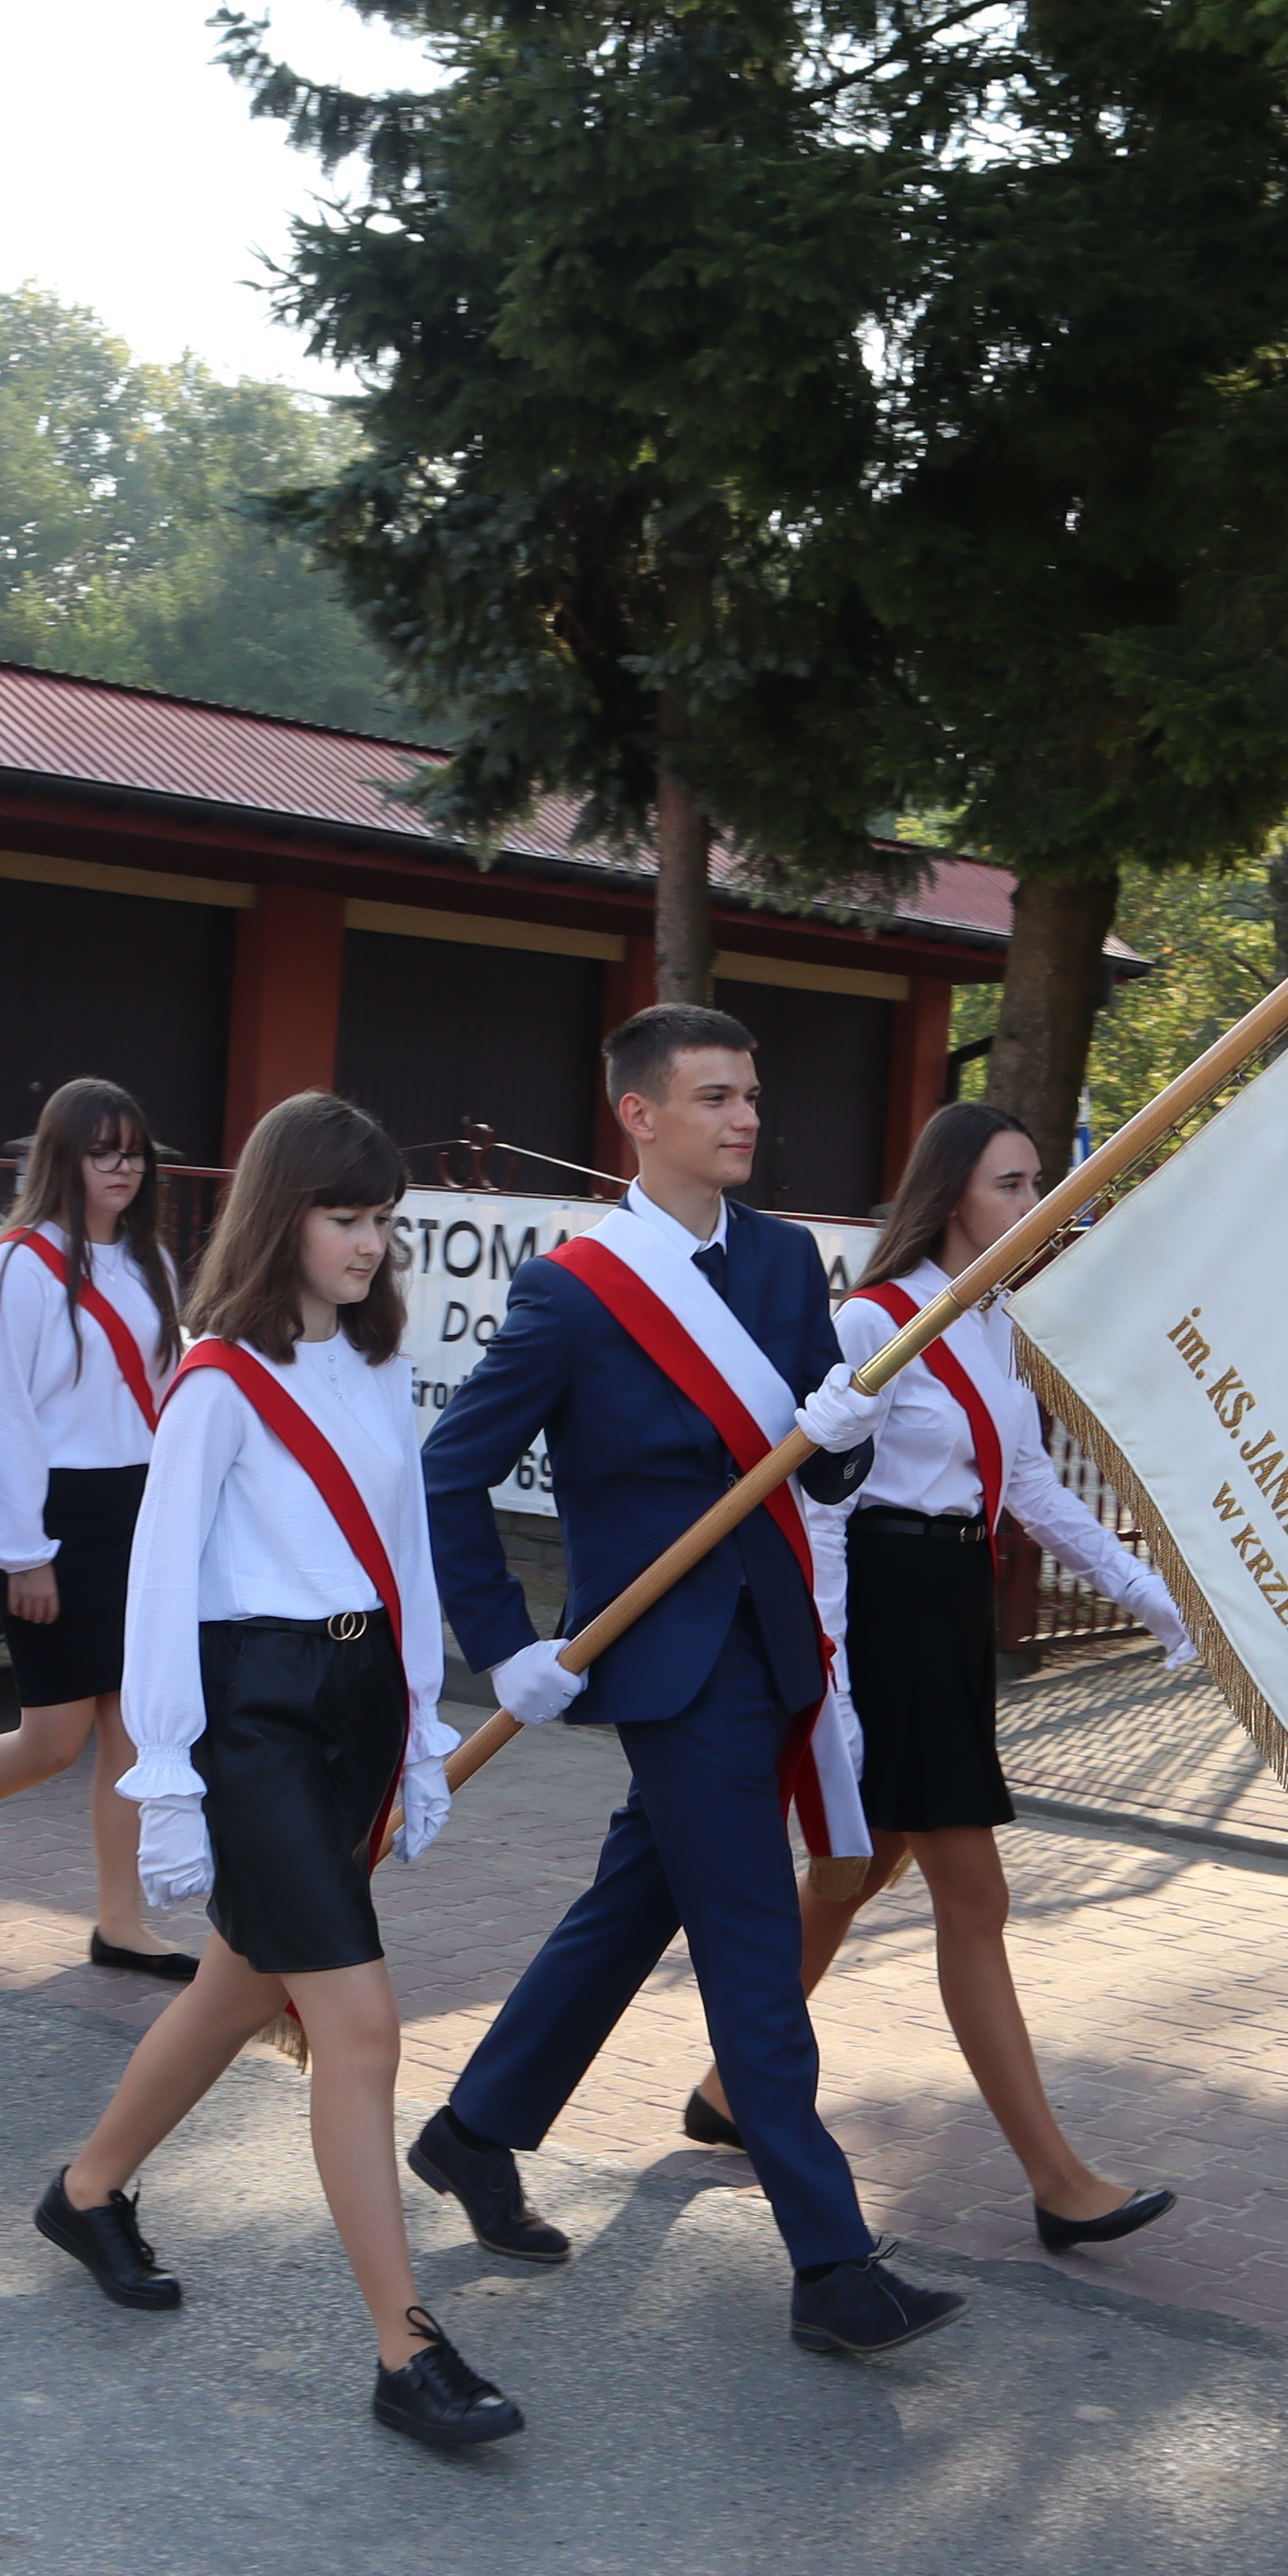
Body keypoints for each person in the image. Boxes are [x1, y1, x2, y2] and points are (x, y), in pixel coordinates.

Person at [418, 1002, 968, 2360]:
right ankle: (831, 2263)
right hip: (669, 1665)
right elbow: (448, 1473)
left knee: (635, 1903)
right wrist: (505, 1646)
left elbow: (820, 1467)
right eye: (715, 1097)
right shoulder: (572, 1292)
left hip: (773, 1638)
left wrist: (843, 1431)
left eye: (752, 1098)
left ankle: (473, 2129)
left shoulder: (780, 1261)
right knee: (751, 1945)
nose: (745, 1119)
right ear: (640, 1115)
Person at [30, 1094, 510, 2446]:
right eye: (343, 1217)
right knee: (360, 2027)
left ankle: (86, 2192)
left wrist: (420, 1728)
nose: (368, 1244)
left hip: (355, 1710)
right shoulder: (217, 1379)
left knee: (242, 1985)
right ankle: (405, 2350)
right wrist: (169, 1779)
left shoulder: (374, 1362)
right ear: (282, 1214)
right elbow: (159, 1587)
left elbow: (404, 1555)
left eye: (382, 1221)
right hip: (259, 1721)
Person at [678, 1102, 1197, 2249]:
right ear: (952, 1192)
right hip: (891, 1611)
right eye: (1012, 1184)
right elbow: (821, 1511)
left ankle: (729, 2087)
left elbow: (1031, 1488)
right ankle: (1058, 2181)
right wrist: (835, 1682)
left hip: (952, 1605)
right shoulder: (877, 1318)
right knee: (976, 1899)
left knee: (859, 1868)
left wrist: (1156, 1599)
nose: (1035, 1204)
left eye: (1036, 1183)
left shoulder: (993, 1319)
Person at [0, 1075, 197, 1979]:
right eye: (103, 1152)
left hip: (140, 1507)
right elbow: (4, 1416)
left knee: (132, 1731)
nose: (123, 1169)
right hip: (56, 1514)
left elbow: (170, 1393)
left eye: (134, 1153)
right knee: (52, 1739)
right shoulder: (19, 1264)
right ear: (65, 1157)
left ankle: (120, 1923)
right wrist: (23, 1552)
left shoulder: (151, 1262)